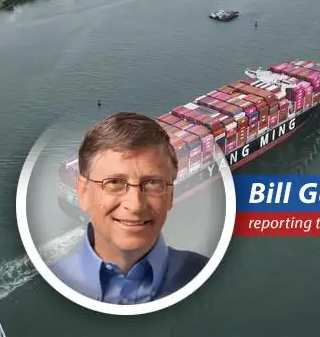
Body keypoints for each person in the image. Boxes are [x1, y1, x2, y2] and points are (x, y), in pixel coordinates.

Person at [50, 112, 209, 305]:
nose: (135, 205)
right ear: (83, 191)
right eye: (114, 182)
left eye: (151, 182)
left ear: (171, 194)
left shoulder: (198, 269)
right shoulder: (196, 269)